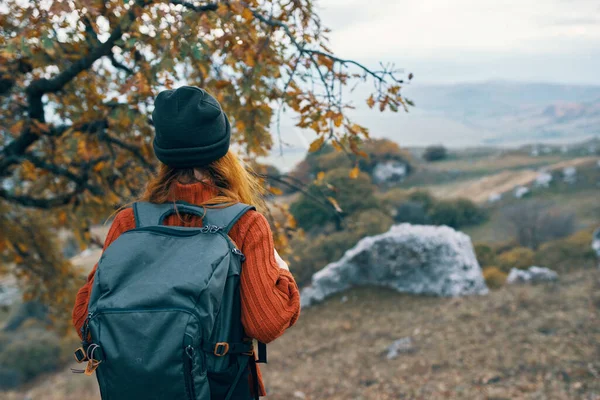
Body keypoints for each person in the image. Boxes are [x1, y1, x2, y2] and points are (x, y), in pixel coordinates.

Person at [71, 86, 301, 398]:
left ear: (162, 149)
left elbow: (85, 316)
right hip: (221, 388)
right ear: (222, 146)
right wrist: (282, 272)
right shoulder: (245, 223)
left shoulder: (130, 221)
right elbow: (265, 323)